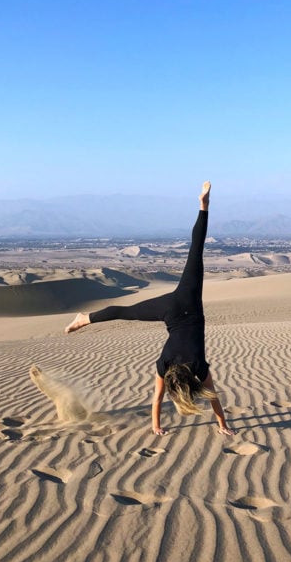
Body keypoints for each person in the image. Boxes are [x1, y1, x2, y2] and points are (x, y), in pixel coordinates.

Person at [64, 182, 236, 436]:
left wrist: (222, 424)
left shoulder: (198, 367)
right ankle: (84, 318)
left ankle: (204, 206)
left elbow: (212, 398)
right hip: (172, 310)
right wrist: (157, 427)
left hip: (186, 301)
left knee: (195, 252)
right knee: (128, 310)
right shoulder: (165, 366)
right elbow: (158, 399)